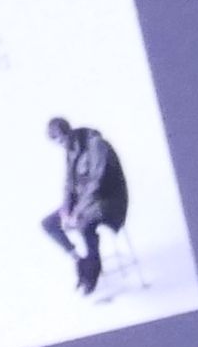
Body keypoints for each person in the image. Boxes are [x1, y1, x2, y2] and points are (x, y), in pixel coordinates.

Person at [38, 115, 130, 295]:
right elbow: (69, 184)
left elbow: (97, 182)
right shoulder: (71, 150)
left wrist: (78, 211)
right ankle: (80, 261)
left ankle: (93, 267)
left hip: (108, 200)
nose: (61, 144)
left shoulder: (95, 144)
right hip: (86, 202)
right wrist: (66, 210)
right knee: (49, 223)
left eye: (61, 139)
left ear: (68, 132)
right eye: (57, 142)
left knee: (84, 223)